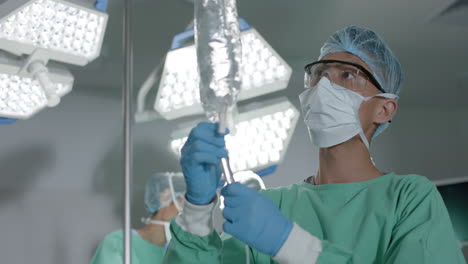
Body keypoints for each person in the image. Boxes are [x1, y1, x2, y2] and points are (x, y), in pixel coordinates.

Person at [162, 26, 467, 263]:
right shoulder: (272, 206)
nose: (324, 86)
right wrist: (197, 209)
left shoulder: (409, 199)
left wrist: (290, 243)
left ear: (384, 108)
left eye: (347, 75)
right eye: (318, 73)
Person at [91, 172, 185, 264]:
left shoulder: (179, 255)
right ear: (165, 197)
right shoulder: (120, 243)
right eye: (183, 204)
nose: (187, 214)